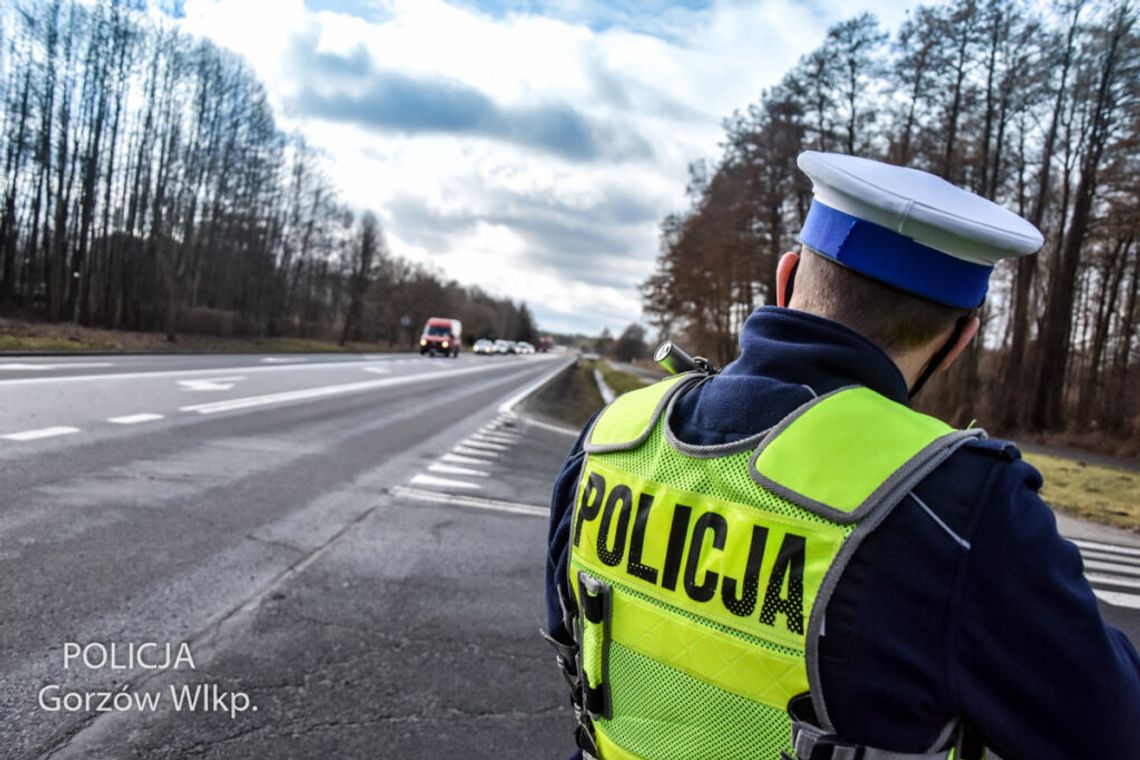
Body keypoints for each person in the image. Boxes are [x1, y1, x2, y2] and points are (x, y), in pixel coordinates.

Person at [543, 151, 1140, 760]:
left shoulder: (614, 435)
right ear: (959, 342)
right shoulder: (964, 504)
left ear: (786, 275)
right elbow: (1112, 731)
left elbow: (572, 633)